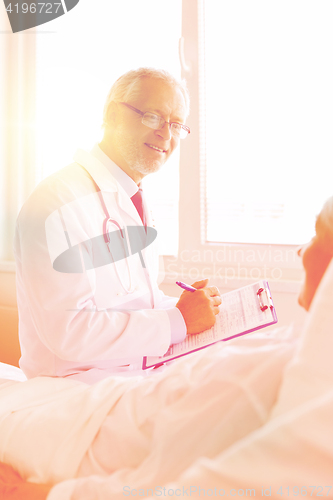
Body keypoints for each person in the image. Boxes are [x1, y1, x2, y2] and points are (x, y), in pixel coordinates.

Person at [3, 196, 333, 500]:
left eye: (316, 234)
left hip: (77, 431)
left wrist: (23, 492)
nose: (301, 251)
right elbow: (81, 327)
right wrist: (182, 314)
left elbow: (155, 488)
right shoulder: (300, 349)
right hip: (90, 400)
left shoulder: (257, 382)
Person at [14, 68, 221, 383]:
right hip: (72, 392)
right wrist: (178, 320)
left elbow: (135, 302)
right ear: (112, 115)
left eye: (176, 124)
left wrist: (189, 308)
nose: (167, 134)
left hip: (130, 376)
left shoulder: (131, 197)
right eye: (153, 116)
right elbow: (71, 332)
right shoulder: (57, 202)